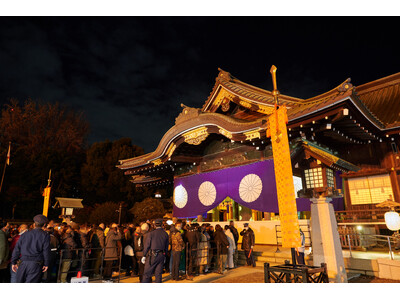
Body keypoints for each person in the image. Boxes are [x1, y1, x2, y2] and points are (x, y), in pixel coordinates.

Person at [11, 214, 51, 283]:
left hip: (22, 263)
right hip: (35, 264)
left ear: (34, 224)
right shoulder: (45, 235)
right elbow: (46, 251)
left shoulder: (25, 234)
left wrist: (13, 262)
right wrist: (46, 263)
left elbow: (17, 249)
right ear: (44, 225)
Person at [142, 219, 169, 283]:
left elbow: (147, 245)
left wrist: (144, 255)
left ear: (154, 225)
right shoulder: (165, 234)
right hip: (161, 255)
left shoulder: (151, 233)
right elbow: (166, 246)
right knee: (158, 274)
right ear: (162, 225)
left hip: (153, 255)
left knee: (147, 274)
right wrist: (165, 255)